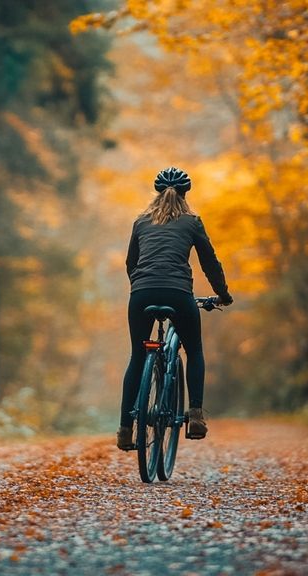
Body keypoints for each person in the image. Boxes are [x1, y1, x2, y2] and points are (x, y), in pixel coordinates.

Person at [118, 166, 233, 450]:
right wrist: (222, 295)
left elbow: (131, 264)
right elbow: (209, 262)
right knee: (193, 350)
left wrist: (142, 285)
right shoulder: (192, 222)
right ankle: (195, 414)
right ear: (185, 194)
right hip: (179, 294)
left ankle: (124, 429)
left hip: (141, 294)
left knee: (137, 355)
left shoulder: (141, 222)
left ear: (157, 193)